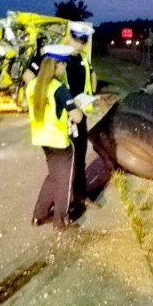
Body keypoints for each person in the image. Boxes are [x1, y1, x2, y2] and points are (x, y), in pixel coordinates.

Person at [23, 22, 96, 217]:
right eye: (77, 40)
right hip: (60, 119)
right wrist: (48, 100)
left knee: (79, 158)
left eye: (83, 42)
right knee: (62, 166)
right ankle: (62, 202)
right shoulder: (51, 55)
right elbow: (29, 76)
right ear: (68, 36)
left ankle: (80, 196)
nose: (79, 45)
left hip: (79, 115)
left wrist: (88, 97)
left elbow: (90, 79)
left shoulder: (82, 59)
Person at [26, 44, 84, 230]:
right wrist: (77, 106)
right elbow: (77, 117)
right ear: (56, 65)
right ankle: (61, 220)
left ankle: (39, 215)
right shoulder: (59, 88)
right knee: (65, 181)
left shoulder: (32, 85)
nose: (65, 68)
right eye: (64, 65)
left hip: (41, 140)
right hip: (60, 142)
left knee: (53, 176)